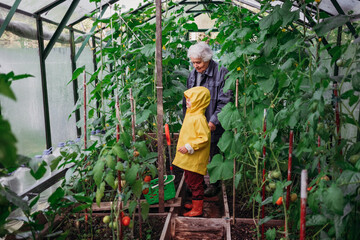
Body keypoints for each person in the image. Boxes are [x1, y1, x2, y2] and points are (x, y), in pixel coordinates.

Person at [183, 41, 232, 197]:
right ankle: (199, 185)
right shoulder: (192, 75)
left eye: (198, 62)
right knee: (195, 153)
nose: (196, 66)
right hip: (195, 123)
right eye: (193, 63)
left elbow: (225, 101)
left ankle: (215, 185)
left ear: (208, 58)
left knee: (213, 153)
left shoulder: (221, 73)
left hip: (212, 124)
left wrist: (213, 121)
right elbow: (188, 99)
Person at [173, 86, 211, 217]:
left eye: (190, 100)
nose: (187, 102)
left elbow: (204, 138)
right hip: (190, 158)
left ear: (199, 101)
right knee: (190, 180)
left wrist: (189, 146)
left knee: (195, 183)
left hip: (195, 157)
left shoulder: (199, 118)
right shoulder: (191, 115)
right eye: (187, 100)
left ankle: (197, 208)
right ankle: (196, 203)